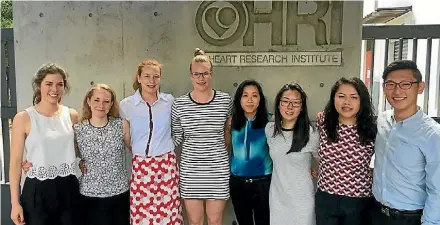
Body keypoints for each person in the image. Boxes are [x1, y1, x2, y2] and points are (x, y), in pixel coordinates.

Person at [9, 63, 80, 225]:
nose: (54, 89)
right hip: (37, 191)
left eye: (59, 84)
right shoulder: (23, 118)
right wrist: (15, 203)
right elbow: (14, 163)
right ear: (38, 85)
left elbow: (75, 150)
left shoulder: (72, 115)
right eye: (49, 84)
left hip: (68, 188)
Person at [371, 60, 440, 225]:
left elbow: (437, 189)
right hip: (375, 211)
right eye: (391, 84)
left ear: (420, 87)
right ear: (384, 87)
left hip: (409, 218)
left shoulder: (432, 135)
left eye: (405, 84)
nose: (397, 90)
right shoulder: (382, 120)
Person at [171, 48, 233, 225]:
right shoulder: (179, 104)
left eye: (205, 73)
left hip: (217, 169)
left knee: (215, 220)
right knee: (195, 221)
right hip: (191, 171)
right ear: (190, 76)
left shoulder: (225, 100)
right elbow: (175, 139)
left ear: (211, 74)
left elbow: (228, 133)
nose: (201, 78)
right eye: (196, 74)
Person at [119, 59, 183, 225]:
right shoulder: (126, 105)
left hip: (166, 165)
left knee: (169, 213)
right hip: (141, 166)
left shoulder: (169, 101)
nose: (151, 81)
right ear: (139, 78)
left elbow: (177, 129)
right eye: (147, 76)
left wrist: (168, 146)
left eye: (156, 76)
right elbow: (126, 134)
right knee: (142, 214)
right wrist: (138, 150)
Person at [315, 77, 376, 225]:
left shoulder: (372, 128)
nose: (347, 102)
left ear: (362, 100)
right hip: (326, 198)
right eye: (341, 96)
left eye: (354, 97)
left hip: (358, 202)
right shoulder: (323, 122)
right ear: (333, 98)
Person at [74, 84, 131, 225]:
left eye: (106, 101)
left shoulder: (121, 125)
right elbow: (67, 155)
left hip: (119, 193)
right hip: (89, 194)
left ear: (111, 103)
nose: (101, 105)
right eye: (96, 100)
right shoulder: (78, 129)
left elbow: (137, 150)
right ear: (88, 101)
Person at [265, 83, 319, 225]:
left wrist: (314, 171)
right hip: (278, 198)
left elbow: (323, 161)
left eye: (295, 103)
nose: (290, 107)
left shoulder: (311, 134)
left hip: (303, 200)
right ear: (278, 104)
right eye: (285, 101)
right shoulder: (270, 130)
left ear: (302, 108)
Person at [227, 80, 272, 225]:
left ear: (261, 99)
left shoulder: (270, 121)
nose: (250, 100)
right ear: (239, 99)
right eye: (245, 95)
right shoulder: (231, 122)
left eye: (254, 95)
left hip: (264, 183)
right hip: (238, 183)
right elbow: (226, 146)